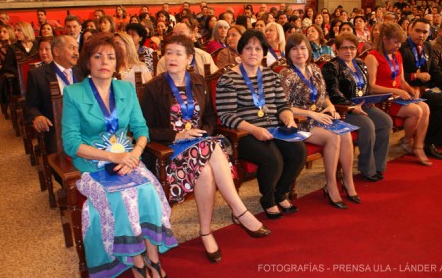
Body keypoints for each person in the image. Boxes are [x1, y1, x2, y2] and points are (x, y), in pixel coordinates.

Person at [142, 35, 269, 263]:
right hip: (170, 151)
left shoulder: (198, 81)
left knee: (207, 169)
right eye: (168, 52)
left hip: (200, 145)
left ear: (189, 58)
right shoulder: (153, 87)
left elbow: (209, 116)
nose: (172, 57)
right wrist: (177, 134)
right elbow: (144, 129)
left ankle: (206, 232)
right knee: (211, 151)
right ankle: (238, 211)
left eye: (178, 53)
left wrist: (203, 133)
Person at [62, 32, 176, 277]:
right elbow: (71, 144)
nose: (104, 62)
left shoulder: (125, 89)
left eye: (111, 57)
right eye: (98, 56)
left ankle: (153, 258)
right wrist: (113, 157)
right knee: (121, 197)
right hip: (93, 165)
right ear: (88, 61)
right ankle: (136, 261)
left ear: (117, 63)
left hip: (128, 159)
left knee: (147, 190)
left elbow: (141, 130)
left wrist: (135, 154)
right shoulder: (74, 94)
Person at [216, 29, 306, 218]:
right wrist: (254, 129)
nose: (253, 52)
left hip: (274, 128)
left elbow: (282, 105)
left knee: (298, 151)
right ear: (240, 52)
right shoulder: (229, 79)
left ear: (264, 52)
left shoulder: (271, 76)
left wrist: (288, 117)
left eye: (258, 48)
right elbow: (226, 115)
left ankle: (280, 193)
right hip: (245, 133)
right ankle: (268, 199)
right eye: (248, 48)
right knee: (273, 158)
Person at [280, 34, 359, 209]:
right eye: (294, 49)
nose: (299, 52)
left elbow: (324, 96)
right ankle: (330, 184)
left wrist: (330, 106)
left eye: (302, 48)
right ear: (288, 52)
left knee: (345, 133)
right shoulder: (287, 74)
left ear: (308, 49)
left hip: (318, 116)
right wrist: (311, 114)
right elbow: (283, 106)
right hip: (298, 121)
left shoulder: (315, 69)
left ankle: (347, 181)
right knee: (333, 137)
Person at [322, 33, 392, 182]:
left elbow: (365, 87)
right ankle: (367, 168)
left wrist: (369, 98)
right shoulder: (331, 66)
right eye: (344, 48)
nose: (349, 51)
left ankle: (379, 164)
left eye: (352, 48)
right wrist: (352, 107)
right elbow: (332, 92)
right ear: (337, 50)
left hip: (363, 105)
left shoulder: (360, 63)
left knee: (386, 121)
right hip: (344, 109)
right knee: (368, 126)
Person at [365, 23, 432, 165]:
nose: (399, 46)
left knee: (425, 108)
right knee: (416, 111)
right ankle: (406, 140)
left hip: (397, 96)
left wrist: (410, 90)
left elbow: (401, 80)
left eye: (400, 43)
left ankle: (418, 146)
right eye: (396, 42)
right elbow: (371, 87)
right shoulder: (372, 57)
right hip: (383, 100)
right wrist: (396, 91)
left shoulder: (397, 55)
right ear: (385, 39)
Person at [400, 18, 442, 159]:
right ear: (410, 30)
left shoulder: (427, 46)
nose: (421, 35)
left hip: (424, 88)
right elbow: (396, 76)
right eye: (417, 31)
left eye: (425, 32)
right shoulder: (401, 47)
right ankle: (428, 142)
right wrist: (415, 76)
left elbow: (434, 71)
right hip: (408, 89)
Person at [26, 35, 83, 155]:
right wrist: (37, 117)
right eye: (72, 48)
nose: (76, 53)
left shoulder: (83, 72)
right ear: (57, 51)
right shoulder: (38, 75)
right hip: (57, 130)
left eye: (77, 49)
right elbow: (30, 106)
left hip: (86, 125)